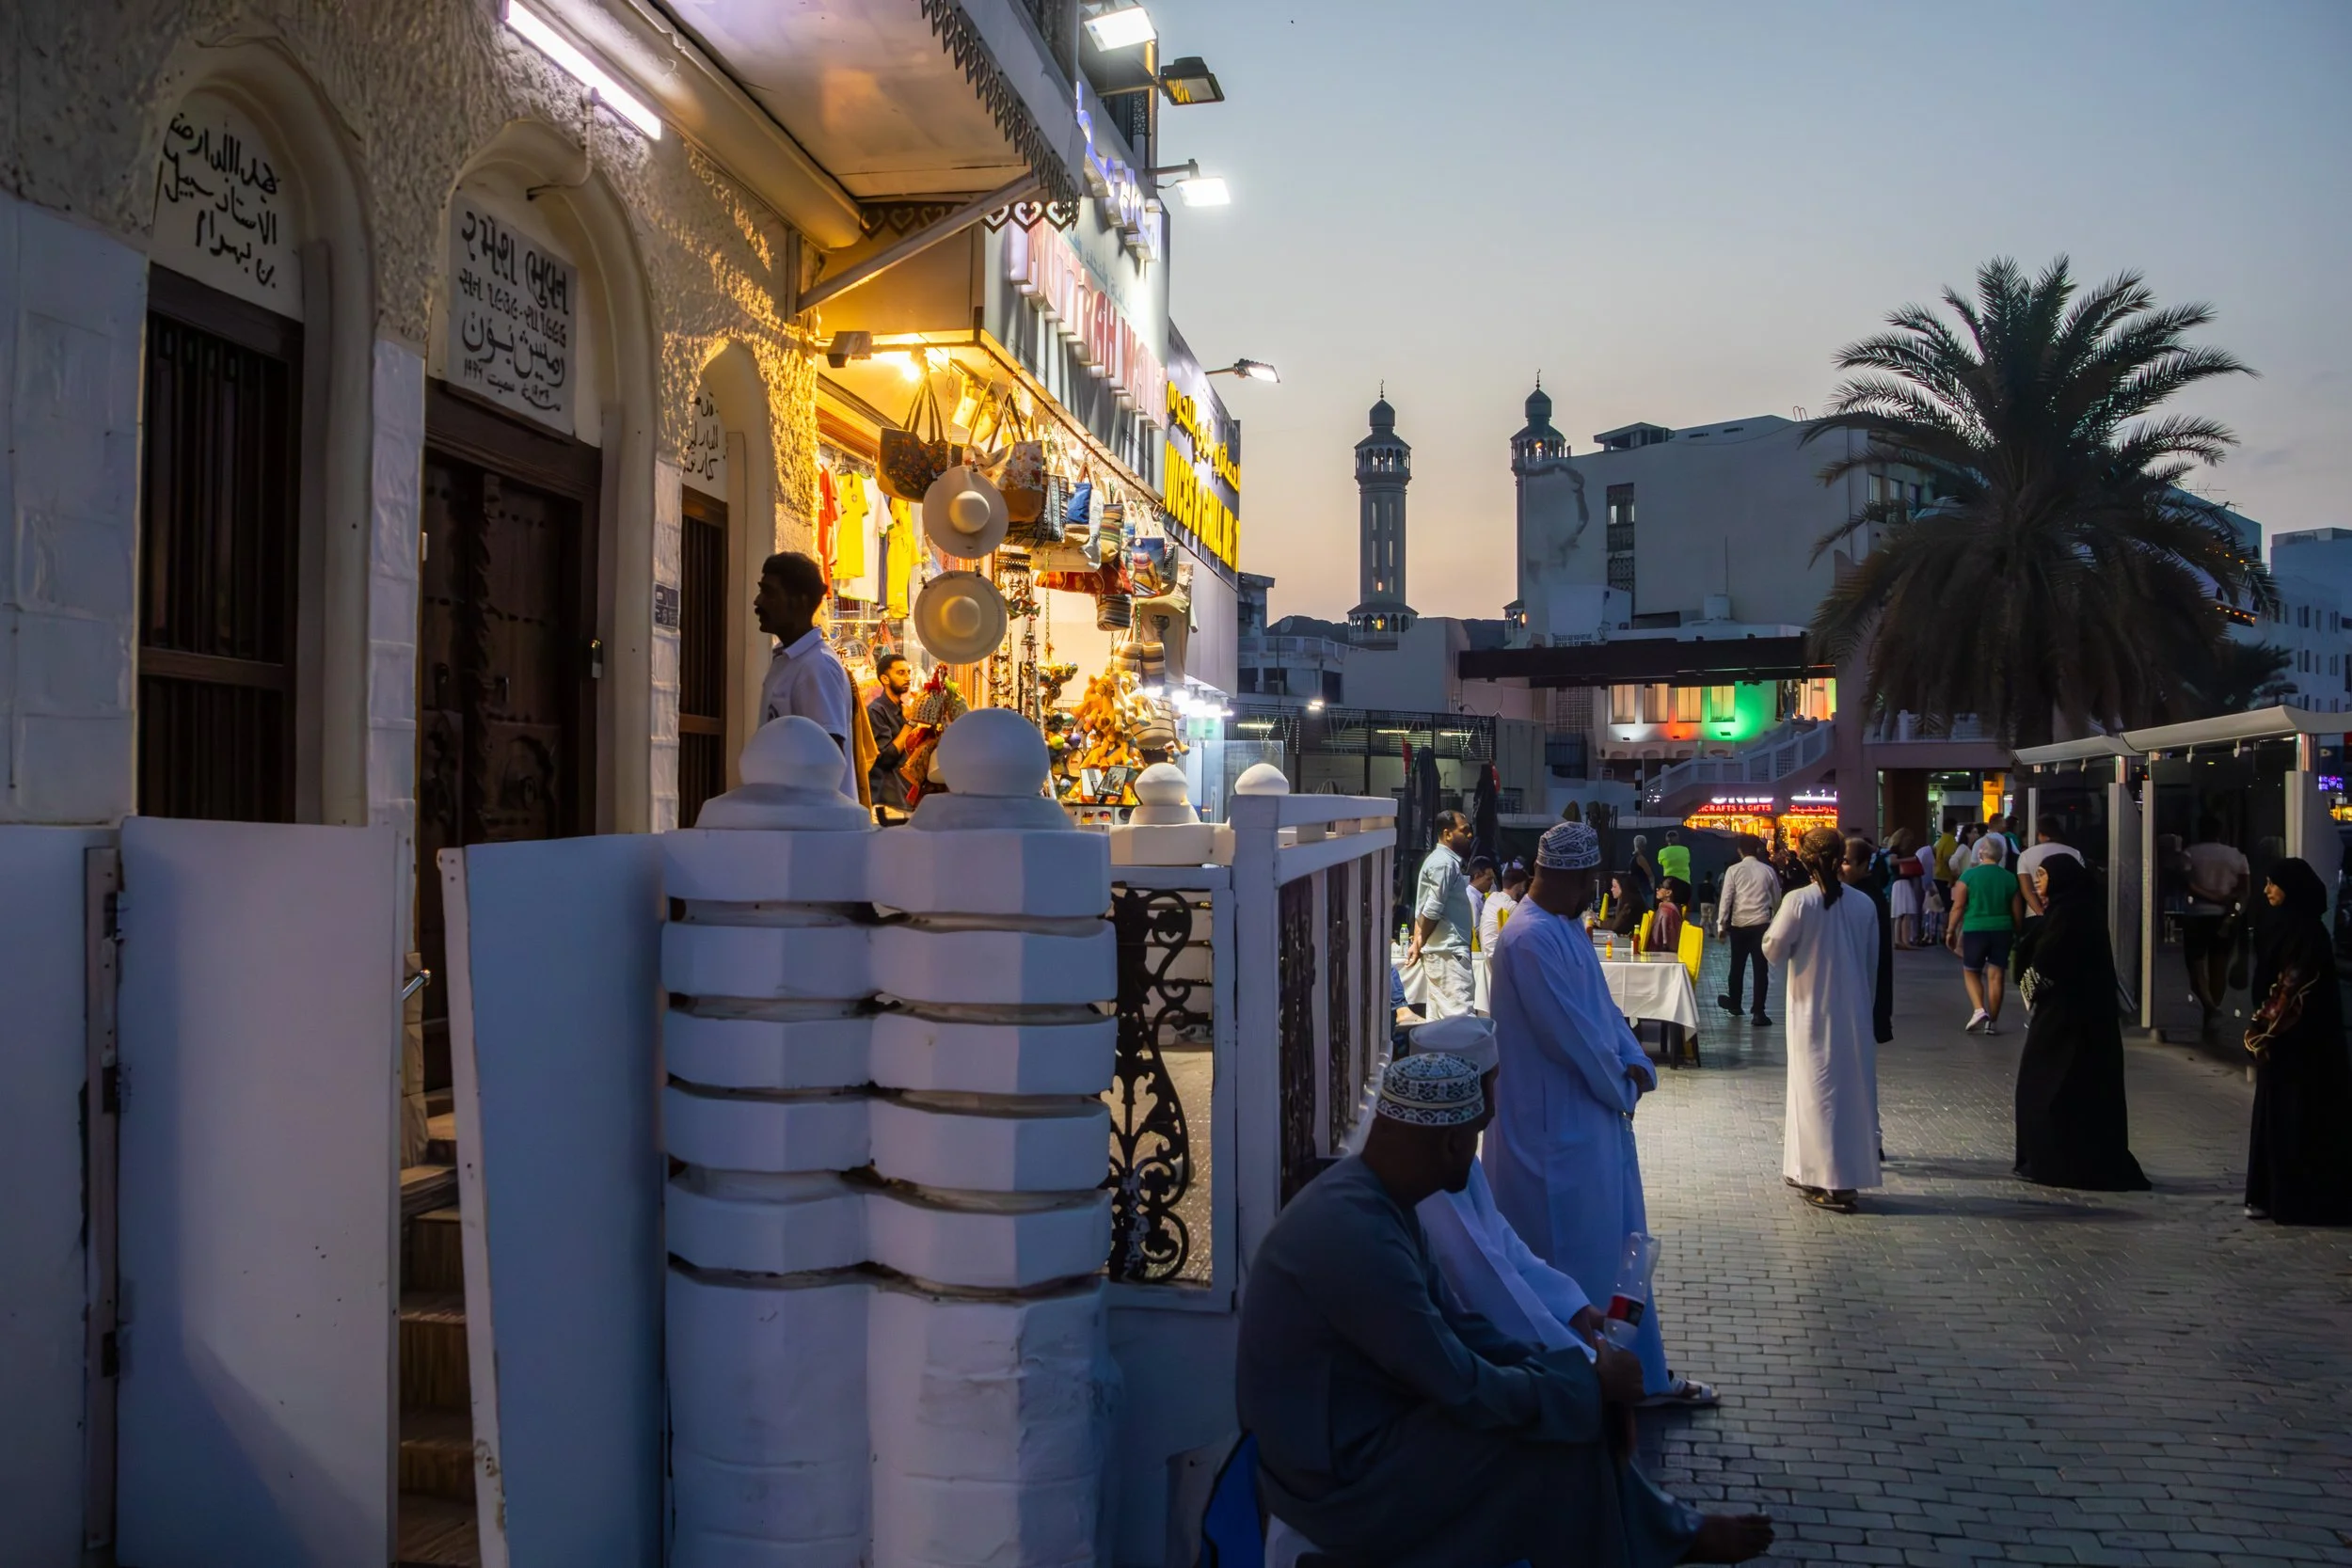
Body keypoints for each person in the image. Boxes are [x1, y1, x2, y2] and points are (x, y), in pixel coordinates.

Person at [1237, 1053, 1774, 1568]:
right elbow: (1461, 1383)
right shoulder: (1357, 1234)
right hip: (1336, 1481)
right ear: (1451, 1142)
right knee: (1556, 1445)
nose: (1479, 1149)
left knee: (1568, 1416)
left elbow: (1462, 1330)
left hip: (1368, 1431)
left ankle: (1661, 1535)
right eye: (1476, 1133)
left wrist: (1581, 1373)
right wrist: (1586, 1387)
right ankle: (1663, 1538)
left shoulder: (1378, 1201)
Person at [1486, 822, 1718, 1410]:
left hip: (1589, 1124)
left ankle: (1640, 1374)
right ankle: (1588, 1386)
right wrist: (1622, 1083)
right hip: (1550, 1135)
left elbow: (1603, 1012)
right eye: (1590, 879)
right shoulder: (1528, 939)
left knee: (1617, 1254)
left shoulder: (1565, 927)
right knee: (1572, 1262)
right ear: (1568, 876)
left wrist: (1635, 1060)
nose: (1594, 889)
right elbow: (1570, 1034)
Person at [2010, 855, 2151, 1192]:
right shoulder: (2072, 911)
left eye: (2043, 876)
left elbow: (2049, 962)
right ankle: (2051, 1159)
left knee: (2052, 1088)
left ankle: (2057, 1161)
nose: (2038, 883)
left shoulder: (2070, 916)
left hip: (2069, 1022)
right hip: (2074, 1020)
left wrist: (2029, 987)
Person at [1763, 828, 1884, 1212]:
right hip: (1855, 1012)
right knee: (1849, 1094)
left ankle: (1831, 1182)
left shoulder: (1800, 901)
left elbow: (1774, 948)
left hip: (1811, 1011)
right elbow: (1872, 962)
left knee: (1816, 1092)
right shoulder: (1864, 904)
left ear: (1805, 859)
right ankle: (1813, 1170)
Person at [2242, 860, 2352, 1225]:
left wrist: (2261, 1029)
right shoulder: (2283, 926)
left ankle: (2294, 1200)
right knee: (2278, 1116)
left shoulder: (2307, 934)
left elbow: (2291, 988)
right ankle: (2270, 1196)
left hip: (2303, 1046)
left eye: (2273, 884)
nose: (2267, 891)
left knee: (2299, 1116)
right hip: (2284, 1045)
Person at [755, 550, 862, 800]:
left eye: (769, 593)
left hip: (811, 820)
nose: (758, 602)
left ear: (799, 602)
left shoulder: (817, 666)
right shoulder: (786, 661)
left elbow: (826, 761)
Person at [1947, 835, 2023, 1035]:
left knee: (1971, 971)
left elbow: (1958, 907)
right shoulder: (2009, 878)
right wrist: (2017, 931)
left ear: (1980, 853)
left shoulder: (1968, 876)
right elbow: (2017, 911)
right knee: (1996, 976)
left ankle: (1979, 1009)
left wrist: (1950, 930)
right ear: (2000, 856)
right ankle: (1993, 1023)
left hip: (1975, 929)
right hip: (2002, 930)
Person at [1406, 811, 1479, 1019]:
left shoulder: (1440, 861)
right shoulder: (1444, 863)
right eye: (1464, 830)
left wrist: (1419, 941)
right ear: (1447, 834)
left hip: (1442, 953)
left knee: (1440, 1024)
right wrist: (1419, 942)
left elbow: (1424, 909)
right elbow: (1432, 909)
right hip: (1449, 955)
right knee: (1460, 1021)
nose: (1470, 835)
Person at [2182, 818, 2250, 1032]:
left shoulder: (2190, 854)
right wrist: (2231, 908)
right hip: (2224, 916)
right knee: (2218, 966)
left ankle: (2209, 1007)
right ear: (2221, 832)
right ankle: (2213, 1010)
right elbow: (2244, 889)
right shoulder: (2237, 856)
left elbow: (2187, 884)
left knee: (2195, 965)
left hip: (2197, 915)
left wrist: (2210, 896)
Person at [1715, 834, 1780, 1026]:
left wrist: (1721, 925)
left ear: (1739, 850)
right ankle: (1758, 1012)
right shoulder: (1768, 871)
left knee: (1737, 966)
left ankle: (1735, 1004)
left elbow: (1726, 899)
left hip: (1739, 925)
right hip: (1761, 926)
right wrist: (1775, 921)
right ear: (1758, 850)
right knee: (1761, 969)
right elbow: (1777, 899)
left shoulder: (1733, 870)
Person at [1840, 838, 1895, 1049]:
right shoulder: (1852, 893)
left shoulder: (1867, 897)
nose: (1840, 868)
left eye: (1846, 862)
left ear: (1864, 865)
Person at [864, 651, 919, 812]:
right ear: (885, 679)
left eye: (908, 672)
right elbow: (885, 758)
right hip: (888, 801)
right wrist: (910, 723)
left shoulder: (903, 709)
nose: (908, 678)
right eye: (901, 673)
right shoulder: (876, 711)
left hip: (904, 795)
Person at [2014, 815, 2084, 919]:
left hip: (2034, 915)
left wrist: (2040, 912)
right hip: (2068, 914)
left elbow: (2026, 888)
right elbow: (2080, 884)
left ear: (2041, 834)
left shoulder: (2026, 855)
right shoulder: (2074, 853)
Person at [1474, 862, 1520, 1016]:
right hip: (1497, 959)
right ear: (1520, 886)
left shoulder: (1492, 898)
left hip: (1486, 955)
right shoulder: (1511, 905)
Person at [1887, 832, 1924, 949]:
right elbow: (1893, 861)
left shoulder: (1894, 850)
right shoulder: (1896, 851)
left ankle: (1898, 940)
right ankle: (1905, 941)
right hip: (1902, 882)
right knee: (1906, 912)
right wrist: (1910, 859)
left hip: (1898, 882)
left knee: (1900, 913)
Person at [1601, 872, 1650, 939]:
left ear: (1623, 888)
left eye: (1614, 887)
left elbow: (1616, 926)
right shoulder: (1625, 901)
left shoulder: (1630, 905)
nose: (1611, 889)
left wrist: (1599, 922)